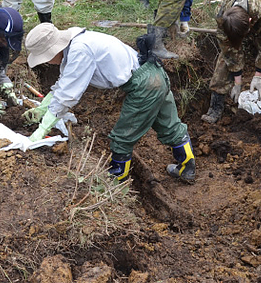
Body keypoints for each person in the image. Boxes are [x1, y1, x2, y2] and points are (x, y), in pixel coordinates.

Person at [24, 23, 196, 184]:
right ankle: (187, 170)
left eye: (45, 58)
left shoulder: (80, 51)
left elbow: (67, 96)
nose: (46, 62)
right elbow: (63, 85)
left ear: (54, 49)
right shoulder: (78, 42)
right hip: (154, 72)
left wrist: (43, 128)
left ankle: (117, 181)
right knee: (169, 125)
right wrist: (42, 109)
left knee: (123, 137)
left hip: (144, 86)